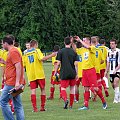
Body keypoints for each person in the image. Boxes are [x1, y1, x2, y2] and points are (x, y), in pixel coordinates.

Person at [74, 36, 107, 110]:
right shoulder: (82, 50)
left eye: (84, 40)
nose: (83, 41)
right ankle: (86, 105)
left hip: (91, 70)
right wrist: (72, 42)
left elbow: (87, 47)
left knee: (95, 88)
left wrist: (79, 40)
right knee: (86, 88)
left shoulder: (92, 48)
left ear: (89, 41)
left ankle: (104, 102)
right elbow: (75, 50)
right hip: (84, 70)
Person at [23, 39, 57, 112]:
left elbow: (23, 64)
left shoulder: (25, 53)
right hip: (39, 74)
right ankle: (42, 107)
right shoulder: (36, 50)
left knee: (33, 90)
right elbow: (42, 58)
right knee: (43, 89)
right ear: (35, 45)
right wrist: (52, 55)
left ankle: (35, 108)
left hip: (31, 74)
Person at [0, 36, 25, 120]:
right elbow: (13, 65)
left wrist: (17, 82)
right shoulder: (13, 51)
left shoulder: (13, 51)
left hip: (12, 82)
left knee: (3, 101)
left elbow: (18, 66)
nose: (2, 46)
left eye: (2, 44)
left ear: (6, 43)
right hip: (14, 82)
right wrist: (4, 62)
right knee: (18, 105)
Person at [54, 36, 78, 109]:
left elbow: (58, 63)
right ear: (70, 43)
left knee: (63, 88)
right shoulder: (73, 52)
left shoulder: (61, 51)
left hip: (64, 72)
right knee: (72, 88)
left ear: (64, 42)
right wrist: (76, 73)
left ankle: (65, 99)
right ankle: (71, 105)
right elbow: (76, 64)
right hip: (72, 72)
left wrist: (55, 72)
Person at [104, 39, 120, 103]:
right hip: (111, 71)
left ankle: (116, 100)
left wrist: (116, 70)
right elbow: (108, 62)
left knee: (116, 83)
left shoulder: (119, 51)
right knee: (113, 85)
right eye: (110, 43)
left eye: (113, 43)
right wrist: (106, 71)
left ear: (116, 44)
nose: (111, 45)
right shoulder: (108, 52)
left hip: (118, 70)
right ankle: (118, 95)